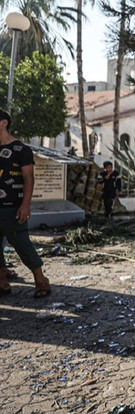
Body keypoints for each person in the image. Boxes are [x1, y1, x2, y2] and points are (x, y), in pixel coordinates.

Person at [0, 109, 50, 298]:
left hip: (13, 207)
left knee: (22, 244)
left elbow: (29, 179)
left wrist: (25, 205)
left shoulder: (21, 149)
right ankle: (2, 283)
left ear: (4, 123)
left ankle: (41, 281)